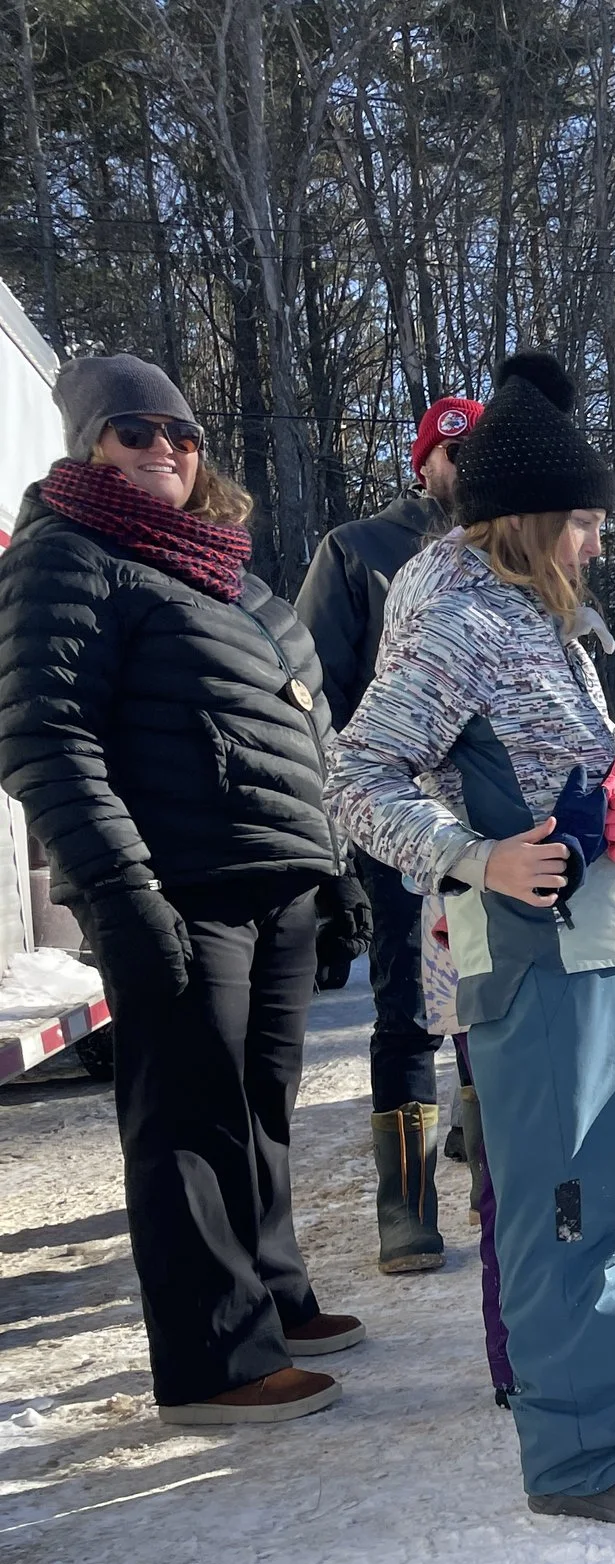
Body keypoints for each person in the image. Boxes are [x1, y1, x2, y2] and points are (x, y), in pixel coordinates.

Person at [326, 352, 615, 1526]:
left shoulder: (543, 617)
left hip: (601, 931)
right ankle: (585, 1455)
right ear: (537, 519)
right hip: (532, 947)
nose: (601, 542)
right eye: (589, 523)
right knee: (563, 1195)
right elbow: (353, 777)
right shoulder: (454, 616)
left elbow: (584, 764)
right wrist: (477, 857)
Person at [0, 354, 366, 1424]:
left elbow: (311, 728)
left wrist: (334, 872)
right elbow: (43, 735)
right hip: (178, 881)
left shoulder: (231, 573)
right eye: (134, 431)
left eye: (181, 434)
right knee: (186, 1115)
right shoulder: (67, 556)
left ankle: (273, 1296)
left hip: (278, 875)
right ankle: (217, 1362)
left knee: (260, 1106)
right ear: (87, 446)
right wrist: (119, 888)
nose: (163, 448)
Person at [297, 392, 484, 1276]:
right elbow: (313, 694)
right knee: (407, 1008)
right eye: (452, 451)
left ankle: (498, 1179)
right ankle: (406, 1208)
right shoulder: (356, 551)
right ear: (423, 464)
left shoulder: (510, 557)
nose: (464, 466)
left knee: (489, 1000)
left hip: (491, 830)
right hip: (397, 822)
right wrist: (347, 817)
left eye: (479, 451)